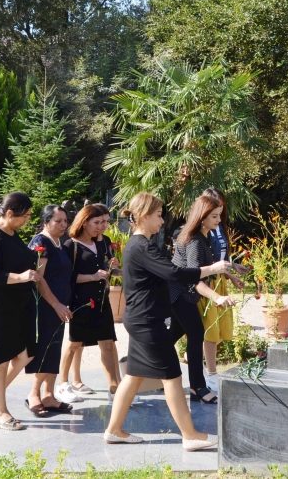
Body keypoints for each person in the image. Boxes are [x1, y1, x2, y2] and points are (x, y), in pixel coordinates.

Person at [103, 192, 234, 450]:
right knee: (172, 376)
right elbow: (174, 273)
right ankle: (190, 435)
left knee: (134, 376)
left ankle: (114, 430)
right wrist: (212, 269)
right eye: (158, 215)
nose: (162, 221)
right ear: (143, 216)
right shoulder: (142, 247)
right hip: (147, 322)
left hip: (140, 319)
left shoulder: (140, 245)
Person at [0, 192, 43, 431]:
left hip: (15, 303)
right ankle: (0, 412)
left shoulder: (11, 232)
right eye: (25, 215)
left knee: (25, 354)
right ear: (10, 213)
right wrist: (21, 277)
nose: (27, 220)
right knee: (0, 359)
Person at [170, 194, 237, 404]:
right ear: (202, 217)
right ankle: (198, 386)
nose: (219, 220)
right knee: (196, 332)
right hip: (179, 295)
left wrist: (229, 272)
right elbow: (194, 278)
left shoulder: (202, 237)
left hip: (184, 295)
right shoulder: (195, 241)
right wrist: (217, 297)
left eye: (219, 215)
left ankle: (144, 368)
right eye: (214, 216)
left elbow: (207, 269)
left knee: (169, 338)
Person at [56, 203, 121, 404]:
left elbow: (107, 269)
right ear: (84, 222)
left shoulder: (104, 242)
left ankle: (114, 388)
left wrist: (113, 266)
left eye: (104, 222)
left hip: (102, 301)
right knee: (75, 343)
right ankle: (63, 383)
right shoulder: (71, 245)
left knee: (107, 343)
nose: (102, 226)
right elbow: (67, 277)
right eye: (97, 222)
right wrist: (93, 276)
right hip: (81, 302)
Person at [24, 205, 74, 417]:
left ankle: (49, 395)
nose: (63, 225)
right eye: (58, 221)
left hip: (59, 306)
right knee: (44, 350)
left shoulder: (59, 243)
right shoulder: (41, 242)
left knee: (54, 349)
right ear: (46, 221)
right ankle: (33, 394)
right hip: (45, 306)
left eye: (65, 221)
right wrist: (56, 304)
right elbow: (38, 279)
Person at [198, 188, 240, 392]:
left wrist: (231, 274)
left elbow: (221, 259)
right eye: (216, 206)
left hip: (219, 281)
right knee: (210, 330)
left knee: (218, 329)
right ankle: (211, 374)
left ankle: (205, 370)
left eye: (221, 205)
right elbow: (202, 264)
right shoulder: (201, 231)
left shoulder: (219, 226)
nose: (220, 210)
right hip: (206, 284)